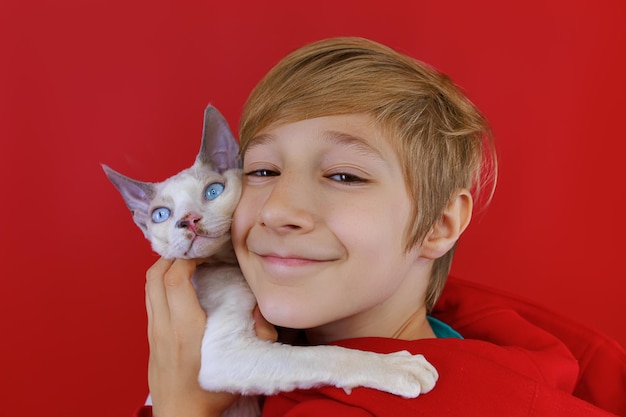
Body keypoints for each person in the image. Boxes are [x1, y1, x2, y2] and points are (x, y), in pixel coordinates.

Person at [136, 37, 623, 417]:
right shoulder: (462, 341)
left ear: (439, 224)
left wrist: (181, 409)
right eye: (263, 171)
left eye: (345, 175)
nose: (278, 209)